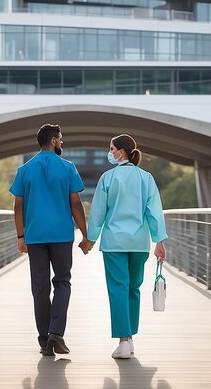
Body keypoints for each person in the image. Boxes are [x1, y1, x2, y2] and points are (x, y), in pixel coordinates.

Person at [82, 133, 167, 359]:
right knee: (133, 289)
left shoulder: (108, 178)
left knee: (118, 288)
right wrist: (159, 240)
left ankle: (124, 341)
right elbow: (154, 211)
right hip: (139, 243)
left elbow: (98, 212)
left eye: (111, 149)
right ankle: (129, 339)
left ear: (121, 151)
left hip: (114, 243)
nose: (109, 153)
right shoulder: (146, 178)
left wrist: (90, 239)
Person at [9, 124, 92, 357]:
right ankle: (56, 333)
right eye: (61, 139)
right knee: (63, 282)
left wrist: (20, 236)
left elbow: (17, 206)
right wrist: (86, 236)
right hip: (62, 235)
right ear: (54, 141)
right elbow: (76, 204)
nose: (62, 143)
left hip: (35, 237)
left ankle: (45, 341)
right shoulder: (67, 167)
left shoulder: (25, 169)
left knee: (40, 288)